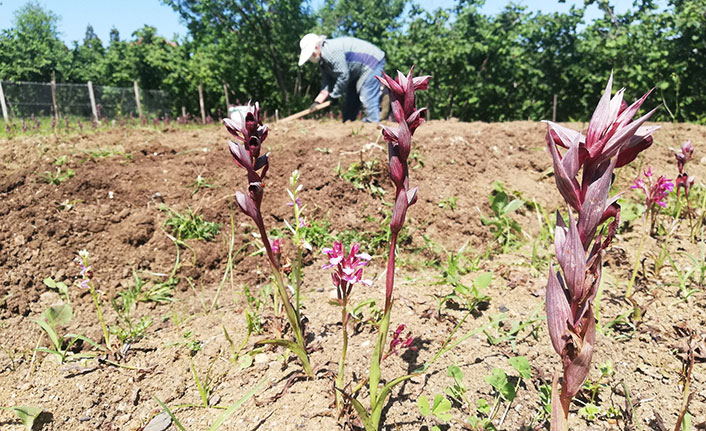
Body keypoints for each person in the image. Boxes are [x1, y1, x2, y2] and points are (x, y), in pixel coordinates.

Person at [298, 33, 386, 122]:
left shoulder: (330, 52)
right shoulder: (323, 62)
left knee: (367, 96)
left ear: (316, 48)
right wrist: (318, 102)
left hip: (372, 63)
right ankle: (348, 123)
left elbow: (343, 76)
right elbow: (326, 82)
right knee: (350, 100)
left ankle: (373, 123)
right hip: (354, 71)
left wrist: (334, 95)